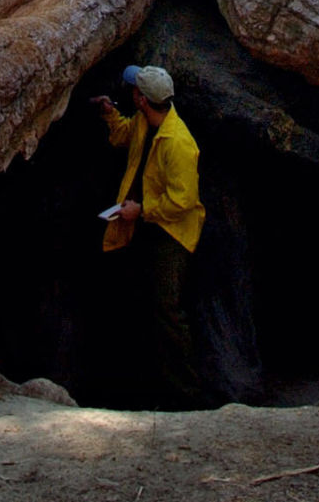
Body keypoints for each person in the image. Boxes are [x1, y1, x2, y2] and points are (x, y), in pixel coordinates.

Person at [91, 64, 205, 408]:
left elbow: (183, 202)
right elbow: (123, 135)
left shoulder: (179, 143)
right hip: (146, 224)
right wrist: (109, 114)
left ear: (142, 99)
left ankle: (188, 396)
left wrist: (141, 210)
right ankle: (148, 388)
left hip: (172, 233)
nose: (130, 92)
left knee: (168, 310)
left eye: (134, 90)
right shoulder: (144, 121)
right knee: (145, 302)